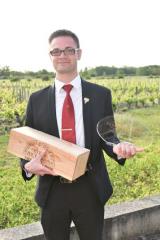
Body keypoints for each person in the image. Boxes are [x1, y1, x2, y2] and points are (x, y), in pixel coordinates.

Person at [20, 29, 143, 240]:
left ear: (79, 53)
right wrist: (27, 167)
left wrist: (119, 148)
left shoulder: (100, 94)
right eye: (56, 51)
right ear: (50, 56)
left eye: (69, 49)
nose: (62, 55)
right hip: (52, 191)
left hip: (89, 188)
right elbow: (27, 145)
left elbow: (108, 136)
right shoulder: (36, 99)